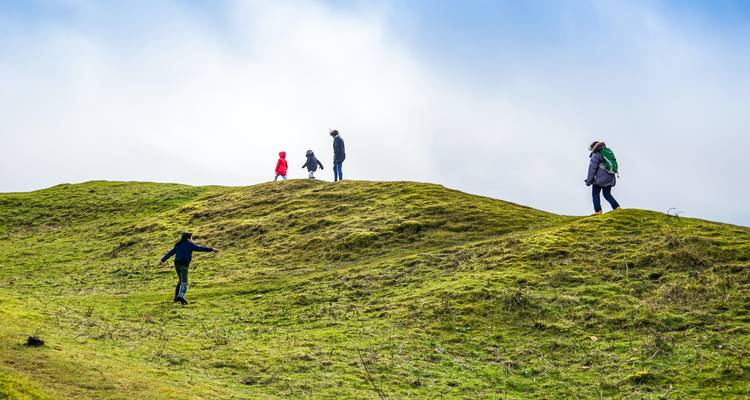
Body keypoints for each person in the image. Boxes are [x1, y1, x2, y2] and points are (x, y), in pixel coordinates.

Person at [159, 232, 218, 305]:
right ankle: (181, 296)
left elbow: (171, 252)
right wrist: (211, 249)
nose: (192, 239)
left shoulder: (178, 244)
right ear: (188, 238)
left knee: (180, 280)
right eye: (191, 237)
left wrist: (162, 260)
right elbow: (199, 248)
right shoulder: (189, 244)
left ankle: (176, 298)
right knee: (184, 281)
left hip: (177, 264)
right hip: (183, 264)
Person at [585, 141, 621, 215]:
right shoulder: (606, 152)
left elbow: (592, 168)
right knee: (607, 194)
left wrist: (589, 181)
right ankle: (617, 207)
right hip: (610, 177)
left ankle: (598, 211)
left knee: (595, 194)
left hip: (599, 179)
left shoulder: (596, 155)